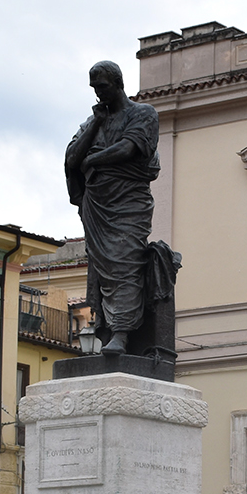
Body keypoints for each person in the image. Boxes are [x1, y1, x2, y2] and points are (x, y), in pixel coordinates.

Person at [65, 60, 160, 357]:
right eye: (94, 89)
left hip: (129, 201)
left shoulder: (142, 113)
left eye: (103, 87)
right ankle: (107, 326)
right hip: (98, 203)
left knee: (125, 260)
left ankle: (121, 331)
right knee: (103, 268)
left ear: (118, 82)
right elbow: (70, 159)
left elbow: (129, 148)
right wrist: (95, 123)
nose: (99, 94)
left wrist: (93, 160)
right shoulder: (92, 123)